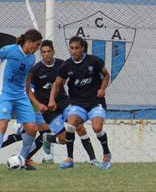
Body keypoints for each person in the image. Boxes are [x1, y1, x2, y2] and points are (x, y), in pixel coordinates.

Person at [28, 40, 102, 167]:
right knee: (62, 139)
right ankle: (48, 138)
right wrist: (38, 104)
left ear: (53, 51)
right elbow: (28, 90)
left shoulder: (62, 64)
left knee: (78, 127)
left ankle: (93, 160)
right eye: (44, 52)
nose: (47, 54)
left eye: (49, 51)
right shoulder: (36, 70)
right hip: (48, 110)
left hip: (64, 102)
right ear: (40, 54)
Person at [0, 29, 42, 171]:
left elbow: (28, 75)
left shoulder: (31, 58)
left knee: (32, 128)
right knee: (2, 124)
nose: (38, 48)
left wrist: (27, 91)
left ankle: (22, 159)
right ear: (29, 42)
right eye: (37, 44)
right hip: (5, 94)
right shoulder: (10, 50)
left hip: (21, 95)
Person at [48, 36, 112, 169]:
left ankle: (106, 152)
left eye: (77, 48)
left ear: (82, 48)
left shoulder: (93, 61)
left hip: (95, 101)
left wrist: (102, 88)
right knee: (70, 126)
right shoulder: (66, 66)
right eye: (71, 48)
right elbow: (57, 84)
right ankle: (70, 159)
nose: (74, 51)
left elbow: (106, 75)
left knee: (97, 128)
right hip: (78, 103)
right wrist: (52, 100)